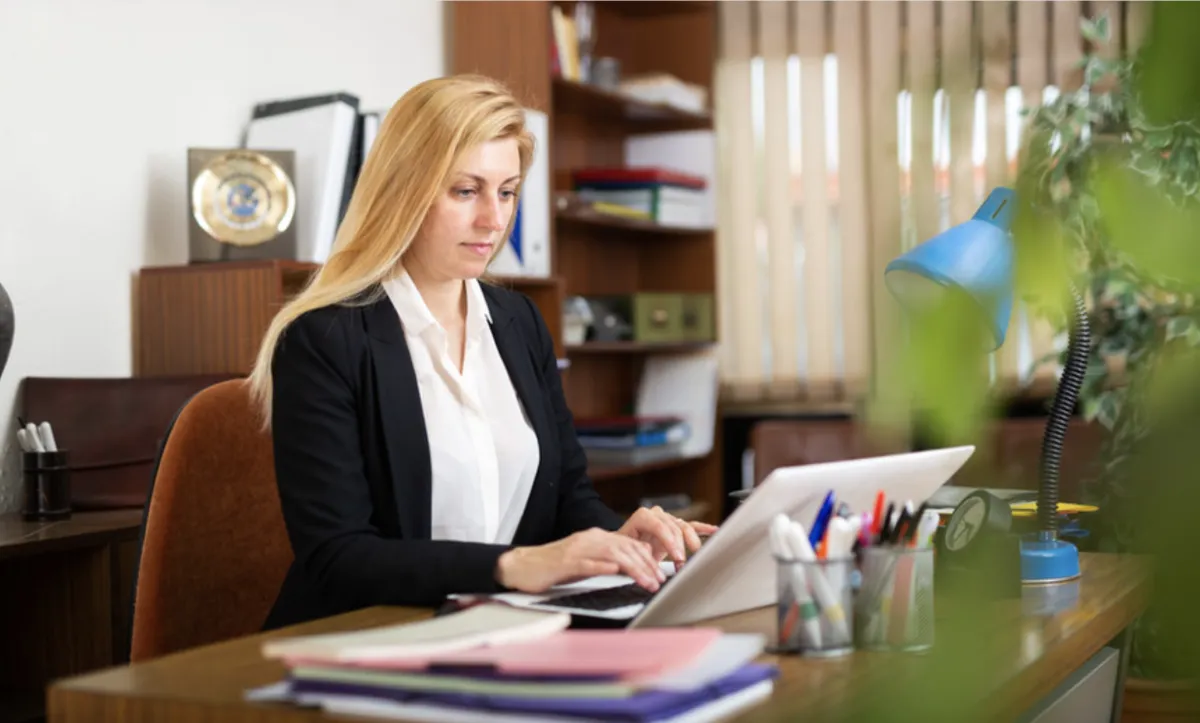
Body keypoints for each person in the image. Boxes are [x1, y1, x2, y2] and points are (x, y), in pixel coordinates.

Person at [247, 74, 716, 630]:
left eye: (507, 191)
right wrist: (514, 565)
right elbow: (338, 556)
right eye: (466, 191)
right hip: (367, 636)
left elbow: (566, 495)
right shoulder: (325, 339)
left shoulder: (519, 323)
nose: (494, 221)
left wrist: (617, 538)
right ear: (404, 189)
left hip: (498, 628)